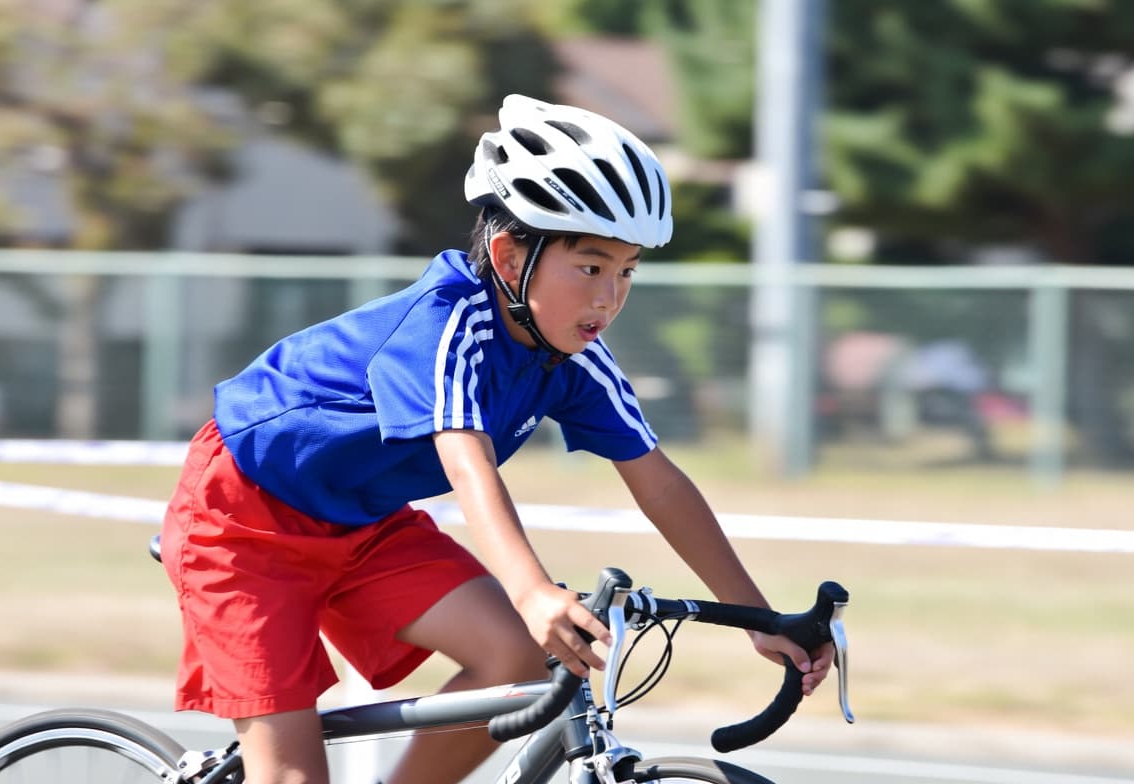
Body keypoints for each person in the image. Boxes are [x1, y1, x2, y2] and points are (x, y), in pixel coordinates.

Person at [160, 94, 834, 784]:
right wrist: (532, 590)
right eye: (591, 267)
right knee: (292, 777)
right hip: (242, 523)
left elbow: (658, 482)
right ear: (510, 258)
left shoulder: (573, 356)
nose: (610, 297)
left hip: (362, 522)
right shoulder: (446, 328)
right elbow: (469, 465)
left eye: (627, 270)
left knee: (516, 660)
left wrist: (758, 616)